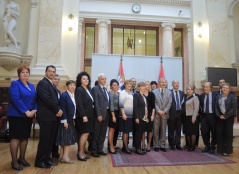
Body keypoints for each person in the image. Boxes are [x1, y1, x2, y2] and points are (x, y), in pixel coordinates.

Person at [8, 66, 37, 171]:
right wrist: (26, 111)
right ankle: (14, 161)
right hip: (17, 115)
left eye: (27, 72)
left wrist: (34, 110)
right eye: (23, 72)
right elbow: (16, 99)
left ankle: (22, 158)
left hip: (28, 115)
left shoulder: (31, 85)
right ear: (19, 74)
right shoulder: (15, 84)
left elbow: (35, 99)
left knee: (25, 137)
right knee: (16, 138)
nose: (25, 74)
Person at [35, 65, 63, 168]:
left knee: (51, 140)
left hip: (53, 117)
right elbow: (46, 99)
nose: (52, 73)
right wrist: (57, 110)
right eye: (50, 71)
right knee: (45, 140)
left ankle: (47, 159)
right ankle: (39, 161)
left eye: (53, 71)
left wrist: (58, 111)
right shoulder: (43, 83)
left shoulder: (51, 84)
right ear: (45, 72)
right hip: (46, 116)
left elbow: (55, 100)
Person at [56, 80, 77, 164]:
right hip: (65, 121)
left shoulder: (73, 95)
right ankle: (65, 157)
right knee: (67, 140)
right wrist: (64, 121)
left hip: (70, 120)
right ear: (67, 86)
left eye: (74, 85)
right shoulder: (64, 95)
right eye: (71, 85)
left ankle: (61, 157)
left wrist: (73, 119)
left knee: (64, 139)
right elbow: (63, 109)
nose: (73, 86)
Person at [75, 72, 94, 161]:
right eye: (83, 79)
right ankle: (80, 153)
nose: (86, 80)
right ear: (80, 80)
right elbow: (79, 104)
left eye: (87, 79)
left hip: (89, 116)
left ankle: (82, 152)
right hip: (83, 116)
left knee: (86, 134)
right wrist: (83, 115)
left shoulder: (88, 89)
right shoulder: (79, 89)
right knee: (84, 134)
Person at [91, 73, 109, 157]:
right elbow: (96, 103)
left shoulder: (105, 89)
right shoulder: (95, 89)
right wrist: (99, 114)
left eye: (105, 79)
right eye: (102, 79)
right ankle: (94, 150)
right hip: (99, 115)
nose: (104, 80)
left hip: (106, 115)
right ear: (98, 80)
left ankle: (100, 149)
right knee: (96, 133)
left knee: (103, 133)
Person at [215, 83, 236, 156]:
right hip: (220, 118)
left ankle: (228, 150)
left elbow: (233, 108)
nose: (225, 89)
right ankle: (220, 149)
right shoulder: (218, 97)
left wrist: (226, 116)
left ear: (229, 89)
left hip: (229, 118)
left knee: (228, 134)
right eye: (223, 87)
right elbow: (216, 107)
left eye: (226, 88)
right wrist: (219, 115)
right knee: (219, 133)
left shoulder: (232, 97)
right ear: (221, 89)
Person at [153, 78, 172, 152]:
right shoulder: (154, 91)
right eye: (162, 82)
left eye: (165, 82)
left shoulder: (169, 92)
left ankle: (163, 145)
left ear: (166, 83)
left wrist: (164, 111)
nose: (163, 83)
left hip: (165, 114)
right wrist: (158, 110)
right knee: (156, 130)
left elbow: (169, 103)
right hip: (157, 114)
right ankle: (156, 145)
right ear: (159, 83)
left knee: (163, 131)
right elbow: (154, 103)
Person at [199, 82, 217, 154]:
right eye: (204, 87)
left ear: (210, 88)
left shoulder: (216, 95)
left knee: (214, 132)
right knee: (204, 132)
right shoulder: (202, 96)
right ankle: (207, 145)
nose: (205, 88)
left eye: (206, 87)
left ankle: (213, 147)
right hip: (204, 116)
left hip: (213, 116)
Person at [181, 85, 200, 151]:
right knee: (187, 132)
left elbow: (196, 108)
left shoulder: (195, 98)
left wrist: (194, 118)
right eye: (188, 89)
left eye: (191, 89)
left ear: (193, 90)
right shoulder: (184, 97)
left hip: (192, 117)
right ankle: (188, 145)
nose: (189, 90)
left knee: (192, 132)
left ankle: (192, 146)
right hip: (185, 117)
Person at [168, 80, 184, 150]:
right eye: (175, 83)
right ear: (172, 84)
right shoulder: (169, 92)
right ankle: (172, 144)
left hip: (179, 114)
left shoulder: (181, 93)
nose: (176, 84)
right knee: (171, 130)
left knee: (178, 130)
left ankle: (178, 144)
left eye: (178, 83)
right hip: (171, 114)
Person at [119, 80, 134, 154]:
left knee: (127, 132)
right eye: (127, 84)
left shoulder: (131, 93)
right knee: (125, 132)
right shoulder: (122, 92)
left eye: (130, 84)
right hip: (125, 115)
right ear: (124, 85)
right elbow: (121, 104)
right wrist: (123, 114)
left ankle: (125, 147)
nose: (129, 85)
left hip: (131, 115)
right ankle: (126, 148)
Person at [133, 82, 148, 155]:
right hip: (138, 117)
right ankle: (137, 148)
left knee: (141, 132)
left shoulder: (144, 96)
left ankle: (139, 148)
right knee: (138, 133)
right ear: (138, 87)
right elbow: (135, 107)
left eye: (144, 86)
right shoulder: (136, 95)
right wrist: (136, 117)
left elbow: (145, 108)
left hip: (144, 118)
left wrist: (146, 117)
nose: (143, 87)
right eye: (142, 86)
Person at [141, 81, 155, 152]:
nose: (148, 86)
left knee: (150, 130)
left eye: (149, 85)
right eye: (146, 85)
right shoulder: (141, 94)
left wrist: (152, 115)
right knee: (143, 130)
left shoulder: (152, 94)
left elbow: (153, 106)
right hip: (142, 115)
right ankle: (143, 144)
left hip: (149, 115)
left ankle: (149, 144)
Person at [108, 79, 120, 154]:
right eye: (114, 85)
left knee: (115, 130)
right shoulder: (111, 93)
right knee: (111, 130)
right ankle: (110, 146)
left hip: (118, 112)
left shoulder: (118, 93)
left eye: (117, 85)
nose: (115, 86)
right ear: (111, 86)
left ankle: (113, 144)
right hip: (113, 112)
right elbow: (111, 105)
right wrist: (113, 116)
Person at [52, 74, 61, 159]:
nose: (57, 81)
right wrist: (56, 111)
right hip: (51, 115)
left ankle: (55, 152)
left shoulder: (58, 91)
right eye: (55, 79)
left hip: (58, 116)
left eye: (58, 79)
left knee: (55, 135)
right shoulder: (50, 90)